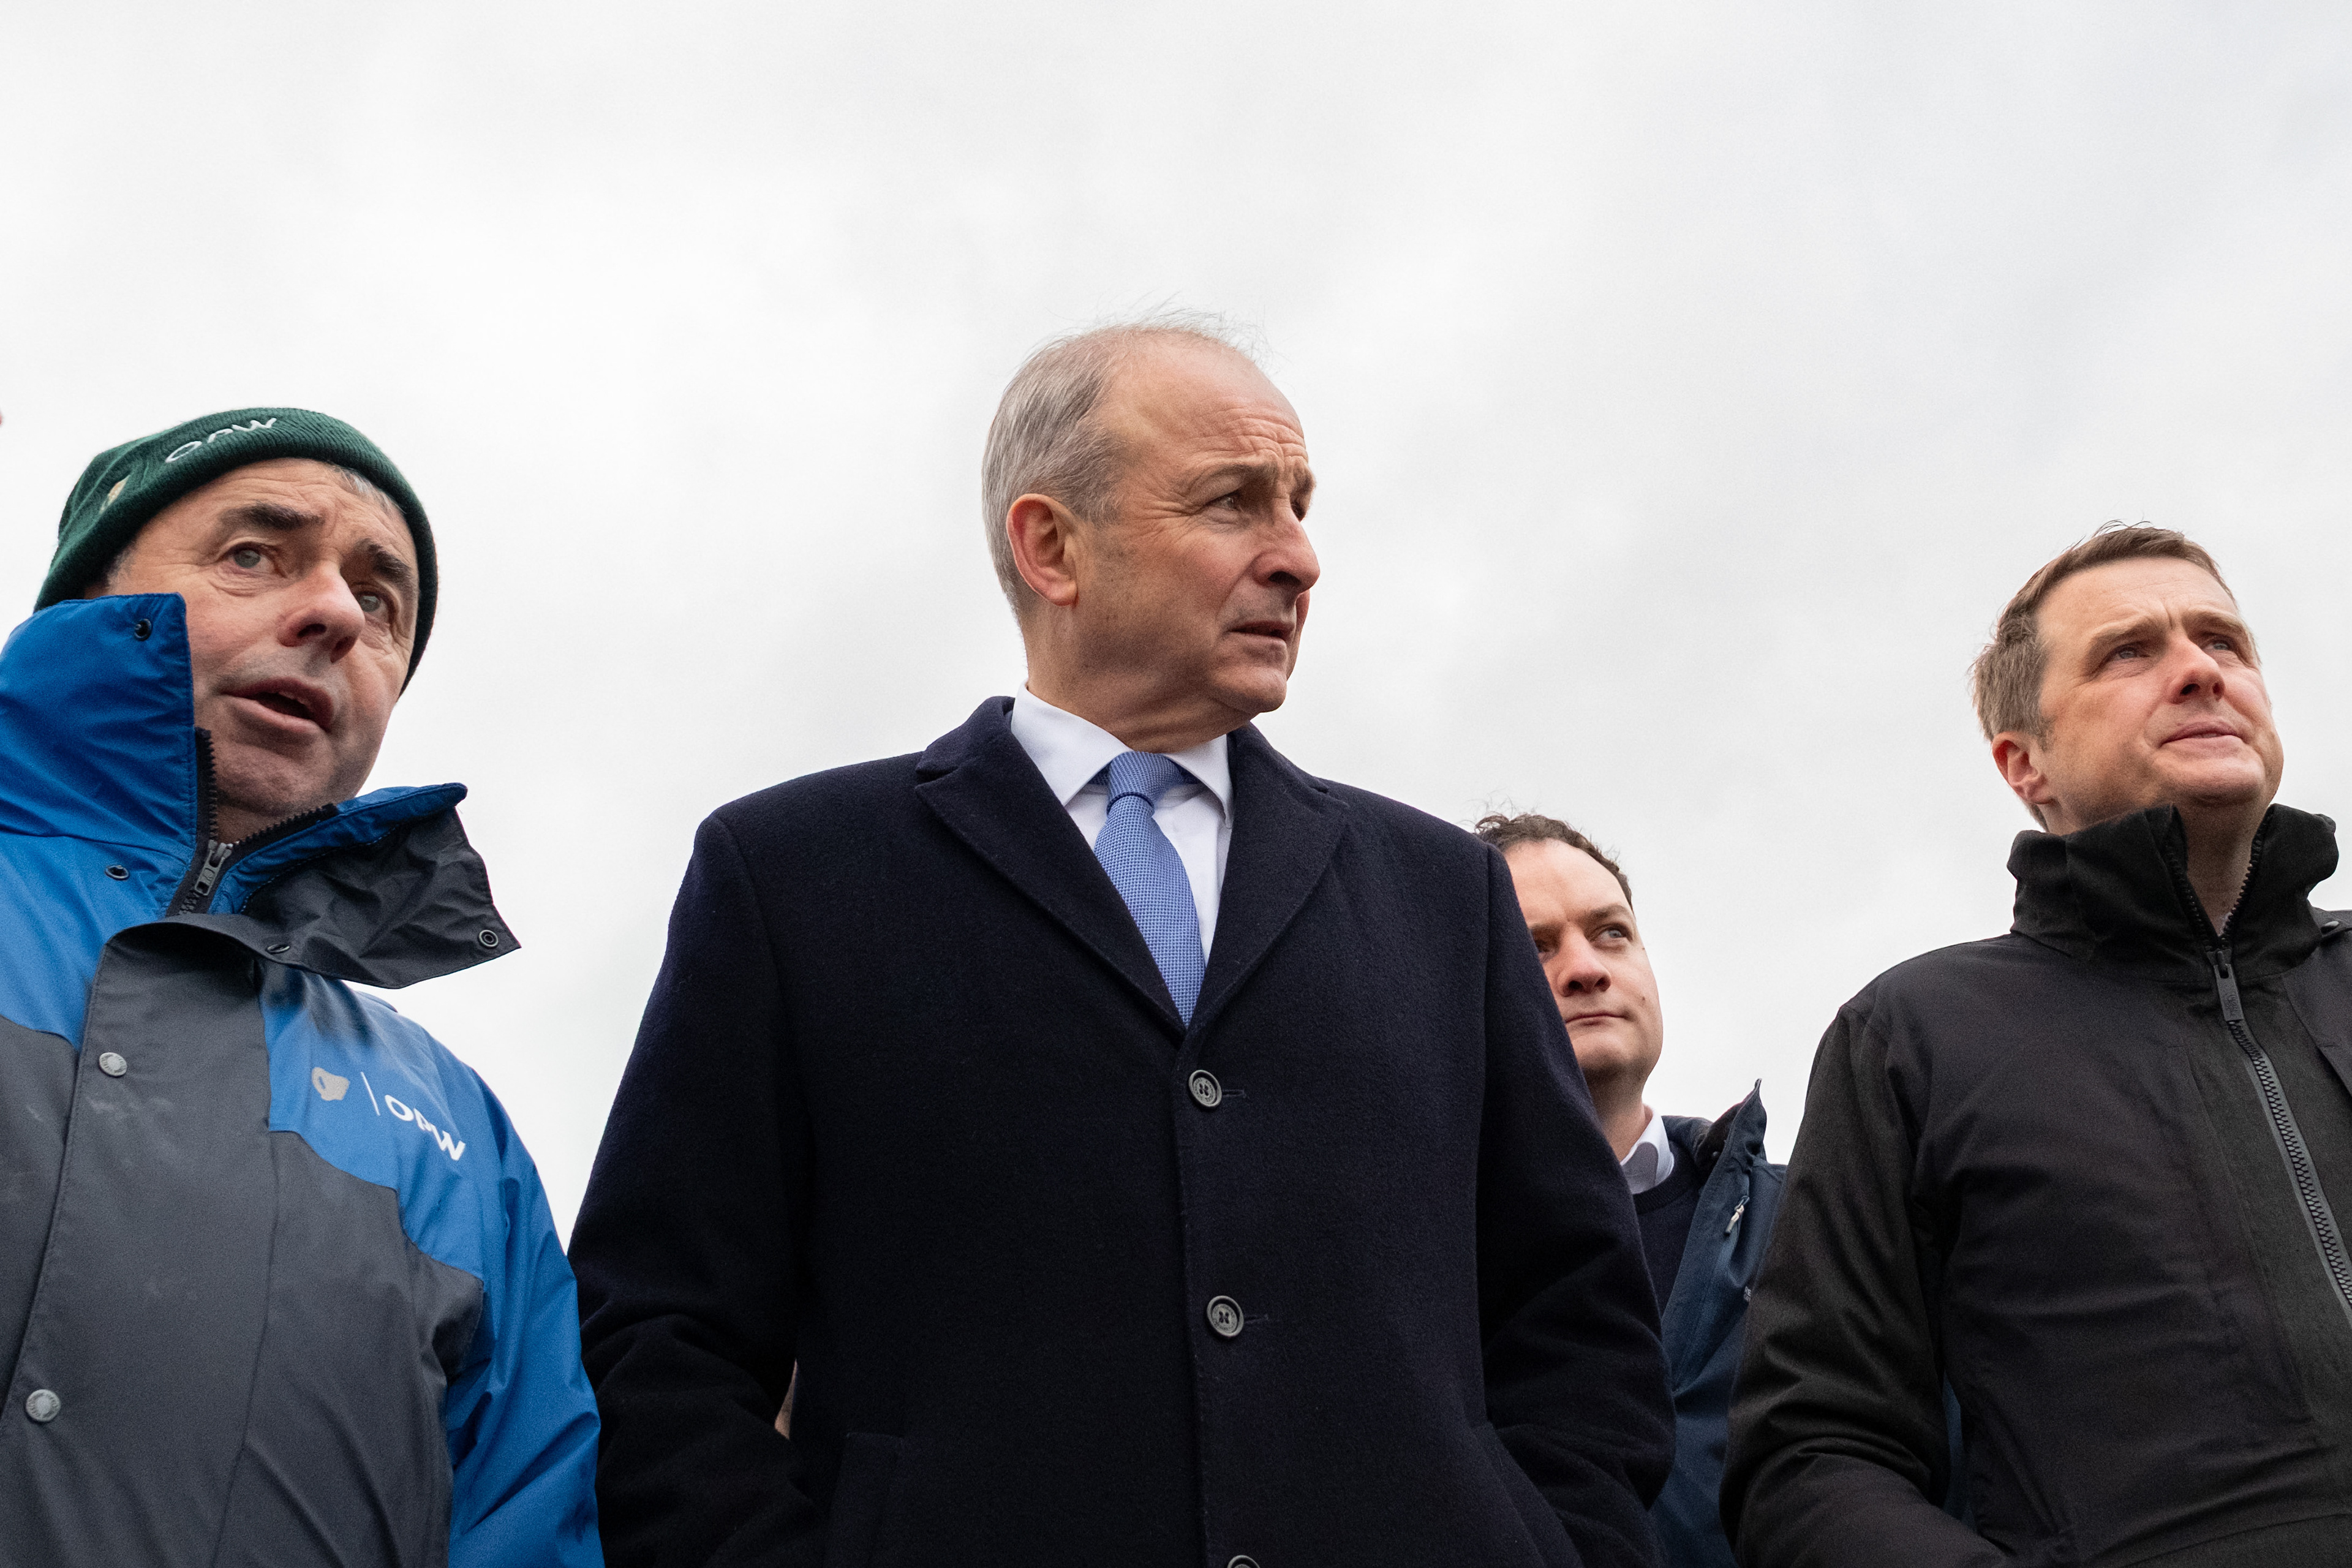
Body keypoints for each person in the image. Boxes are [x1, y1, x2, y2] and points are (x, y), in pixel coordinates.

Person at [570, 317, 1673, 1568]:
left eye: (1300, 504)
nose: (1299, 557)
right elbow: (657, 1336)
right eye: (1233, 502)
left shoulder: (1446, 897)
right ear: (1052, 545)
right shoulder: (793, 876)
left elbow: (1579, 1323)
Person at [0, 409, 601, 1565]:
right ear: (89, 600)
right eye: (253, 555)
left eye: (381, 603)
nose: (335, 614)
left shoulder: (465, 1141)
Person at [1723, 524, 2352, 1566]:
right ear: (2027, 766)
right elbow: (1811, 1454)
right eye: (2129, 652)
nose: (2200, 670)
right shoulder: (1913, 1039)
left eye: (2224, 641)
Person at [1478, 812, 1781, 1568]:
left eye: (1611, 932)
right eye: (1534, 946)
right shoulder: (1411, 1263)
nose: (1585, 968)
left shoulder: (1810, 1223)